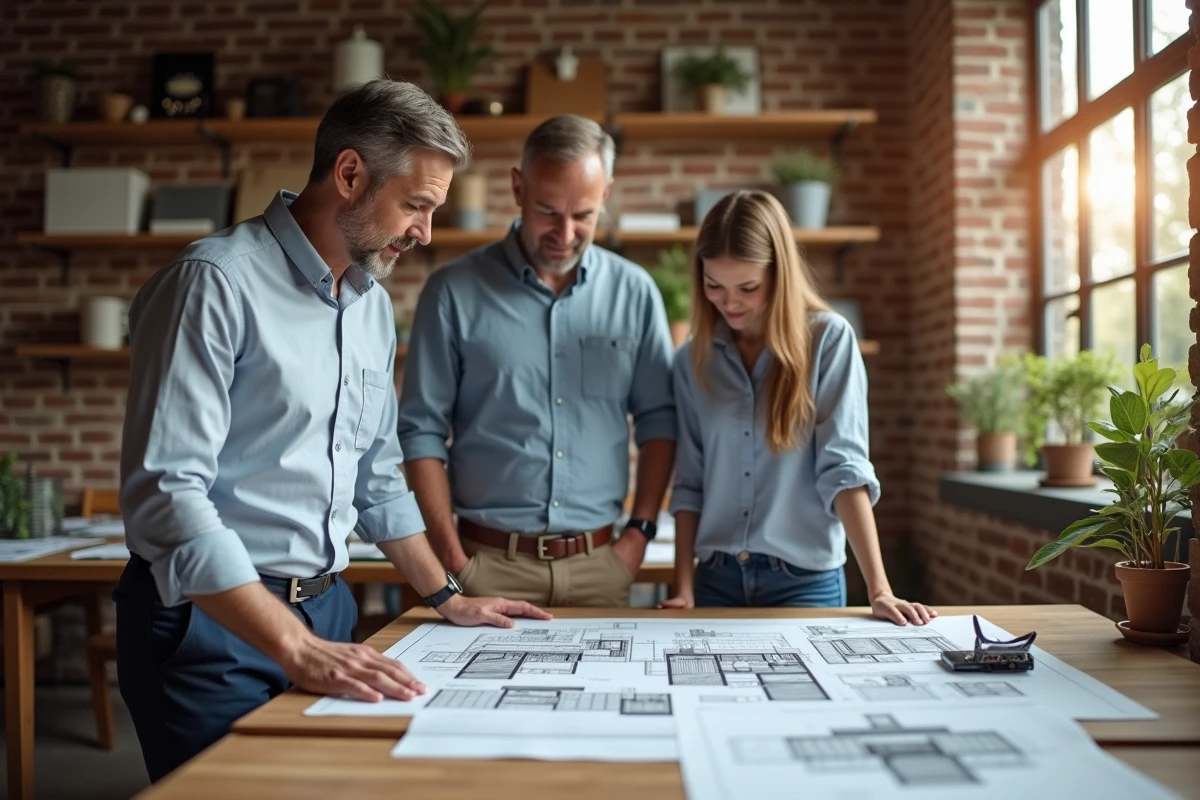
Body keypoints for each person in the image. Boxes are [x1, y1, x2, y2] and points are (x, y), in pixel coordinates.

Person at [116, 79, 550, 784]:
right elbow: (167, 494)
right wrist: (291, 644)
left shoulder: (371, 306)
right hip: (210, 627)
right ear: (349, 175)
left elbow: (376, 477)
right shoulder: (213, 284)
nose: (425, 233)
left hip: (328, 610)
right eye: (415, 204)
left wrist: (445, 595)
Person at [397, 114, 676, 607]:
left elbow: (659, 422)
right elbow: (420, 430)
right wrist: (452, 555)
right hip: (485, 565)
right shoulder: (452, 293)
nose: (565, 233)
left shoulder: (635, 293)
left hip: (602, 567)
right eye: (548, 211)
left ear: (606, 194)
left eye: (583, 214)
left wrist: (639, 536)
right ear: (518, 187)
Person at [659, 190, 935, 624]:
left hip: (804, 582)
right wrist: (683, 589)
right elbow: (690, 481)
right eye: (714, 285)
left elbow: (844, 470)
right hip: (716, 581)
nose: (729, 303)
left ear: (780, 275)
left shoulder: (828, 340)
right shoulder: (692, 360)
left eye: (747, 287)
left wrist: (880, 589)